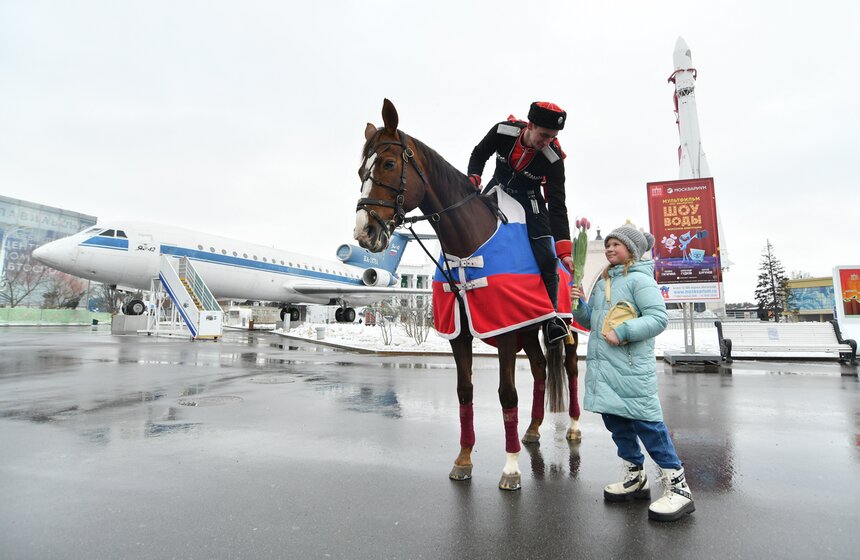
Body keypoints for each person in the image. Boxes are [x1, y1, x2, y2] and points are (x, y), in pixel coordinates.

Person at [570, 225, 695, 522]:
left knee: (649, 427)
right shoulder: (603, 281)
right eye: (609, 244)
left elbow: (658, 318)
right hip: (605, 370)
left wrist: (624, 332)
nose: (610, 248)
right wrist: (579, 305)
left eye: (617, 244)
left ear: (632, 250)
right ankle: (635, 478)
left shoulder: (641, 280)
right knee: (617, 425)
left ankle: (680, 489)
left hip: (630, 370)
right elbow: (594, 322)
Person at [468, 101, 572, 343]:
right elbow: (479, 154)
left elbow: (557, 204)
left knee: (547, 255)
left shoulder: (553, 158)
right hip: (497, 188)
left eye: (553, 137)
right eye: (544, 135)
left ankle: (551, 318)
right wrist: (474, 176)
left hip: (531, 199)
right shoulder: (503, 131)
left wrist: (563, 249)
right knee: (467, 227)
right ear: (530, 125)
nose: (548, 142)